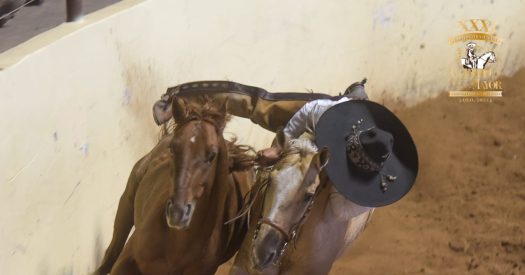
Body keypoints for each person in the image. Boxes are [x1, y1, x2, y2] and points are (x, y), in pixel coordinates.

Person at [152, 79, 418, 208]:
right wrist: (279, 147)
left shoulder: (359, 194)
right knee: (261, 105)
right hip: (319, 124)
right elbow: (304, 114)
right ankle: (183, 97)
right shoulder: (323, 112)